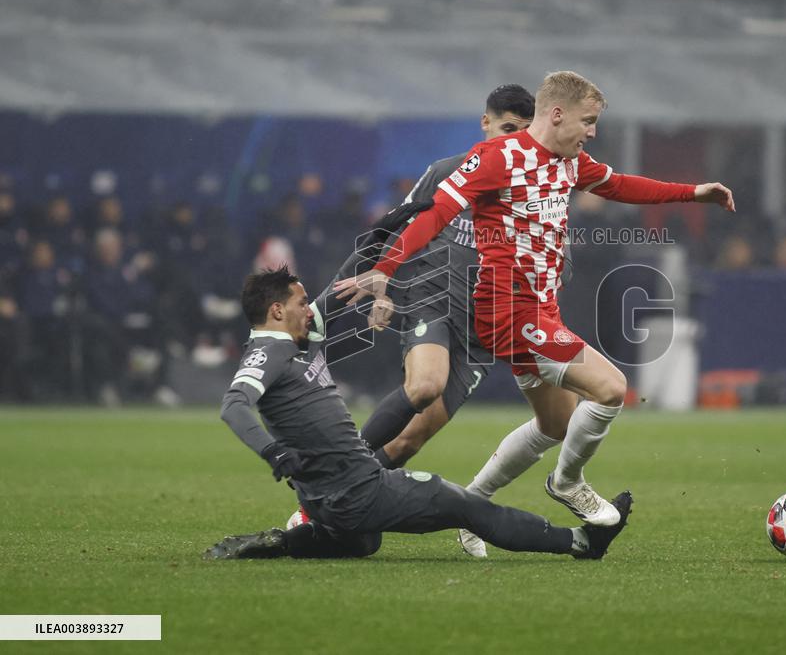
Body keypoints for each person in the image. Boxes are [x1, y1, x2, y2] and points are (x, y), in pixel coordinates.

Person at [335, 70, 733, 557]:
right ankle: (567, 483)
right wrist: (385, 268)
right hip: (508, 310)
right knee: (611, 388)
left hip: (541, 310)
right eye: (588, 121)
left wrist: (693, 193)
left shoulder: (570, 163)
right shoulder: (497, 158)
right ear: (558, 114)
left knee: (556, 424)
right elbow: (435, 213)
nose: (593, 132)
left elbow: (621, 185)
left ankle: (473, 510)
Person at [204, 266, 632, 561]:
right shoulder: (269, 351)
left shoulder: (301, 338)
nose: (308, 309)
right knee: (465, 505)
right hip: (358, 490)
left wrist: (383, 251)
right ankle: (581, 542)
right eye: (300, 303)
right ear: (277, 311)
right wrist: (273, 452)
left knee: (363, 543)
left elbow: (337, 291)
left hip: (326, 500)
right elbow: (233, 405)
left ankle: (290, 541)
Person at [357, 84, 538, 469]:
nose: (516, 141)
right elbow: (395, 226)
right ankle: (336, 467)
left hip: (483, 333)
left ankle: (340, 497)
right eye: (508, 129)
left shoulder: (539, 189)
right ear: (485, 123)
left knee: (407, 442)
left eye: (525, 132)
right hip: (434, 301)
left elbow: (562, 263)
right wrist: (379, 287)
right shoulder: (447, 172)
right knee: (425, 386)